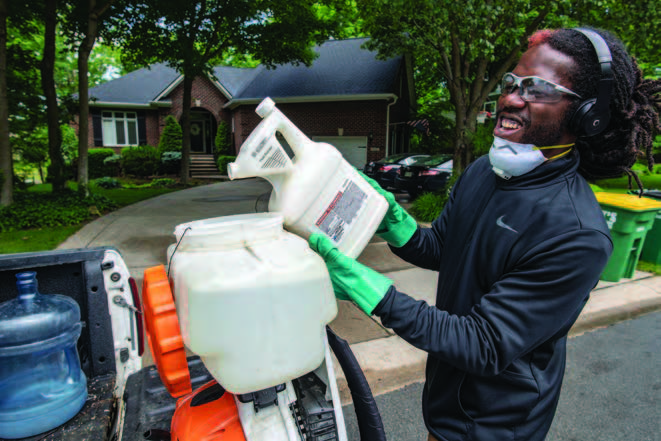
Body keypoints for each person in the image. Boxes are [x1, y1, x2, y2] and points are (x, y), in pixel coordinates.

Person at [309, 27, 661, 440]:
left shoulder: (577, 234)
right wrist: (393, 221)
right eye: (512, 83)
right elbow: (441, 247)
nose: (511, 98)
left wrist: (372, 291)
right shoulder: (484, 171)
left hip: (497, 424)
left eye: (537, 89)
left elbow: (485, 343)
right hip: (446, 400)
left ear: (586, 114)